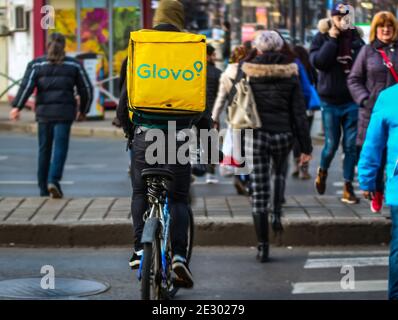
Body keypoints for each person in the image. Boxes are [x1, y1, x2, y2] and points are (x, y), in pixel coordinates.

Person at [117, 0, 196, 288]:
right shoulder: (190, 50)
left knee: (140, 191)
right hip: (177, 135)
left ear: (155, 18)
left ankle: (140, 249)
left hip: (145, 134)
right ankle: (178, 258)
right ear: (179, 20)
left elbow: (125, 100)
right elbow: (199, 103)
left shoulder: (140, 48)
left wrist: (130, 131)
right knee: (177, 198)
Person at [242, 31, 312, 262]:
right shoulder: (291, 72)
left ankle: (262, 246)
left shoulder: (248, 72)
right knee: (280, 172)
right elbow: (299, 113)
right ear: (280, 48)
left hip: (257, 135)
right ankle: (277, 213)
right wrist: (305, 147)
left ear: (259, 49)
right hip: (283, 134)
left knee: (259, 189)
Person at [9, 32, 93, 199]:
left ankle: (42, 189)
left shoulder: (36, 65)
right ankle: (53, 180)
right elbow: (87, 90)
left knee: (44, 150)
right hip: (64, 113)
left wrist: (17, 107)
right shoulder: (74, 65)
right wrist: (84, 110)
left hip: (44, 114)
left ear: (48, 45)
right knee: (60, 148)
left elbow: (26, 86)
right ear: (64, 46)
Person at [310, 2, 365, 204]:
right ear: (331, 18)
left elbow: (364, 66)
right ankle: (322, 171)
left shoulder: (357, 39)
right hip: (330, 101)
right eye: (338, 17)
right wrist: (332, 39)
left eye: (346, 17)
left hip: (352, 100)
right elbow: (319, 62)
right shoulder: (322, 37)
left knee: (350, 145)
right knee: (331, 144)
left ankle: (347, 186)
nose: (342, 21)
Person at [348, 11, 398, 213]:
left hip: (394, 111)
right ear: (375, 29)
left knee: (393, 155)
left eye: (389, 26)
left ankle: (392, 196)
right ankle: (376, 191)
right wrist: (364, 99)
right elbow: (354, 79)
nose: (385, 30)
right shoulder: (367, 51)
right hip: (372, 112)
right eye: (381, 26)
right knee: (375, 152)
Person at [357, 84, 398, 300]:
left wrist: (367, 180)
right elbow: (373, 143)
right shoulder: (389, 97)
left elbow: (373, 143)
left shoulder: (389, 97)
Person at [212, 45, 250, 194]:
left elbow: (221, 99)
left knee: (238, 148)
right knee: (248, 148)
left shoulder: (226, 74)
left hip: (233, 115)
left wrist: (214, 117)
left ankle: (241, 177)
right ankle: (245, 178)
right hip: (250, 115)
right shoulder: (250, 71)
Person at [292, 45, 319, 180]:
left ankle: (296, 164)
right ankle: (304, 167)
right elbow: (316, 83)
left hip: (295, 107)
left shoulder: (292, 66)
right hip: (308, 107)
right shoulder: (309, 67)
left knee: (296, 137)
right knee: (305, 136)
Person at [204, 44, 221, 184]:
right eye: (213, 54)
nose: (215, 57)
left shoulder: (193, 71)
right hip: (212, 113)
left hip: (194, 112)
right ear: (207, 55)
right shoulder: (217, 73)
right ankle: (211, 173)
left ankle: (190, 170)